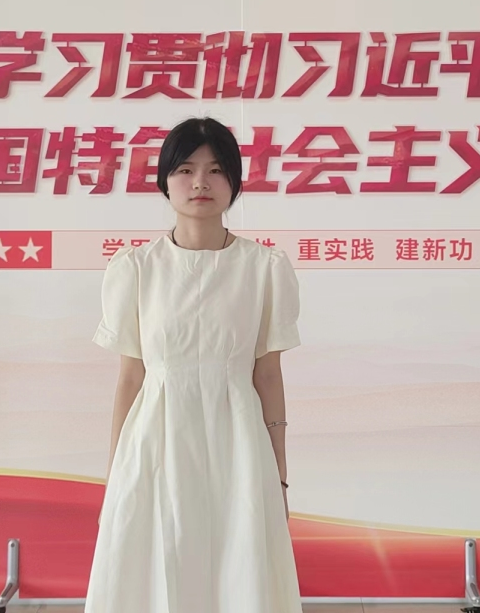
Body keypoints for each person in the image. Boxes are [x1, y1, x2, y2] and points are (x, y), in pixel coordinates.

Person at [85, 116, 304, 613]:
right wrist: (115, 475)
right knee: (155, 562)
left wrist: (279, 476)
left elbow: (268, 375)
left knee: (238, 564)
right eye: (185, 169)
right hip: (156, 438)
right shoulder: (136, 268)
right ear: (165, 180)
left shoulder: (264, 268)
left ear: (234, 182)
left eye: (216, 169)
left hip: (238, 441)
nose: (200, 182)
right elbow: (131, 378)